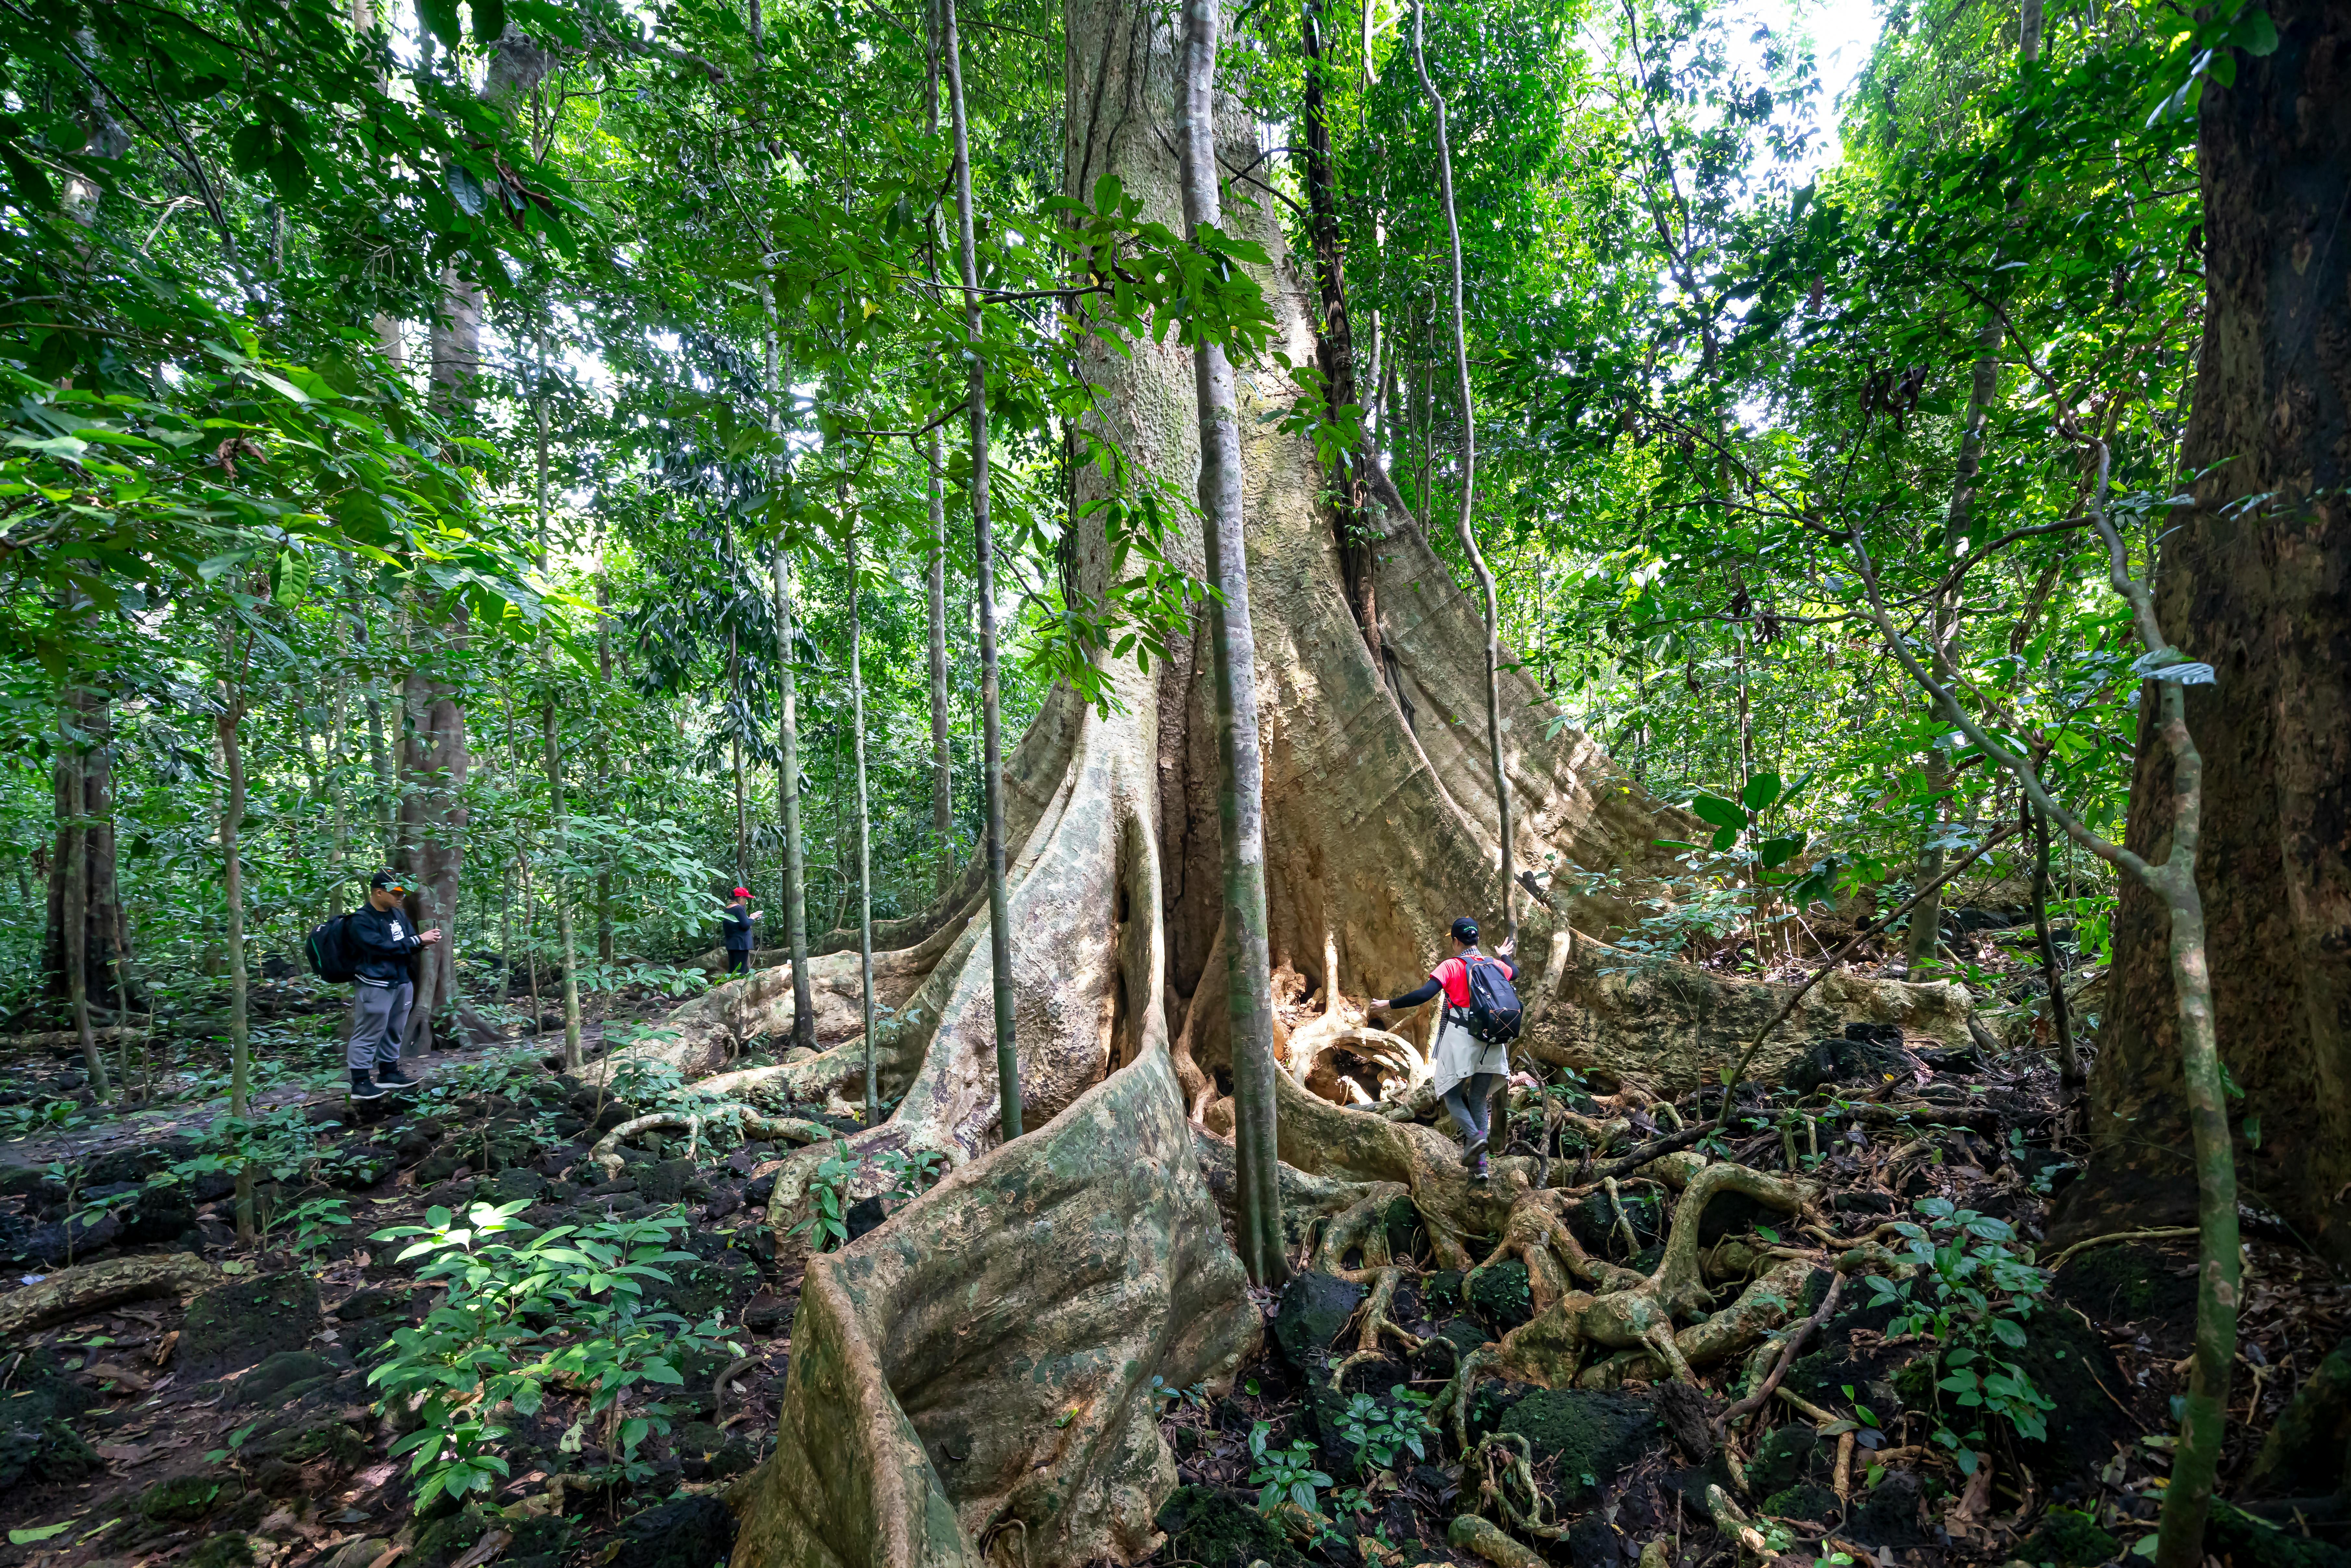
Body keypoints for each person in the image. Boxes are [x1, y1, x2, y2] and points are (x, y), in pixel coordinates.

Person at [1371, 916, 1516, 1181]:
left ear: (1456, 941)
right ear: (1477, 939)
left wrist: (1388, 1004)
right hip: (1494, 1042)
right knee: (1478, 1099)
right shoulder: (1494, 965)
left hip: (1463, 1039)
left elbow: (1425, 994)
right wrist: (1504, 956)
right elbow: (1514, 974)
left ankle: (1474, 1137)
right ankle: (1480, 1167)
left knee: (1449, 1093)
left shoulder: (1452, 966)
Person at [348, 869, 441, 1100]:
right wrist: (418, 940)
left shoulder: (398, 916)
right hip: (375, 984)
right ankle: (360, 1082)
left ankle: (389, 1073)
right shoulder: (361, 920)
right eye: (396, 892)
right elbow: (378, 947)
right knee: (369, 1031)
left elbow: (406, 942)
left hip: (401, 981)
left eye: (403, 892)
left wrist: (422, 942)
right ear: (379, 893)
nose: (401, 897)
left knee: (394, 1030)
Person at [720, 887, 762, 974]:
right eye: (745, 898)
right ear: (740, 898)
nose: (746, 901)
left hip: (732, 944)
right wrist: (752, 918)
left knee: (733, 970)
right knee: (741, 971)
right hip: (741, 945)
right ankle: (739, 987)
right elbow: (745, 925)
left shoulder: (728, 909)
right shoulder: (739, 909)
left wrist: (749, 918)